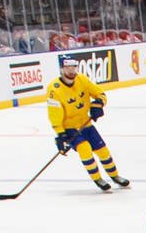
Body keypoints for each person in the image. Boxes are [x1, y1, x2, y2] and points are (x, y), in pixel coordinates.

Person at [46, 56, 129, 192]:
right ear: (61, 69)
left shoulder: (82, 79)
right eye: (67, 68)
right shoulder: (54, 89)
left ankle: (115, 176)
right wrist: (61, 135)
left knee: (102, 150)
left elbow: (100, 93)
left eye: (73, 67)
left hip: (86, 124)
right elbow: (54, 115)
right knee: (85, 149)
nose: (71, 71)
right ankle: (97, 178)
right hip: (70, 128)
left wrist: (99, 103)